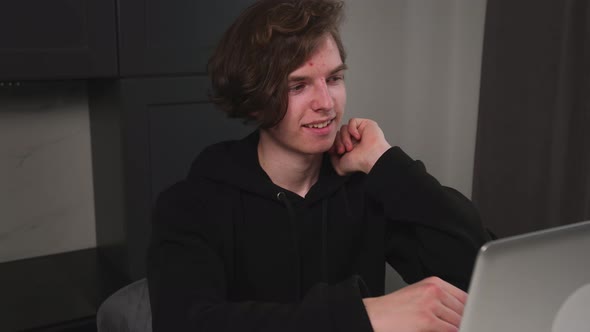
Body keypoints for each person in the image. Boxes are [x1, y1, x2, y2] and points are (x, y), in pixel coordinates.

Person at [147, 0, 491, 331]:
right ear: (254, 101)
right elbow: (185, 324)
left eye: (334, 79)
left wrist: (388, 164)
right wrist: (361, 317)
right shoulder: (193, 204)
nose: (326, 104)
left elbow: (478, 273)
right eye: (298, 85)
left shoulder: (364, 189)